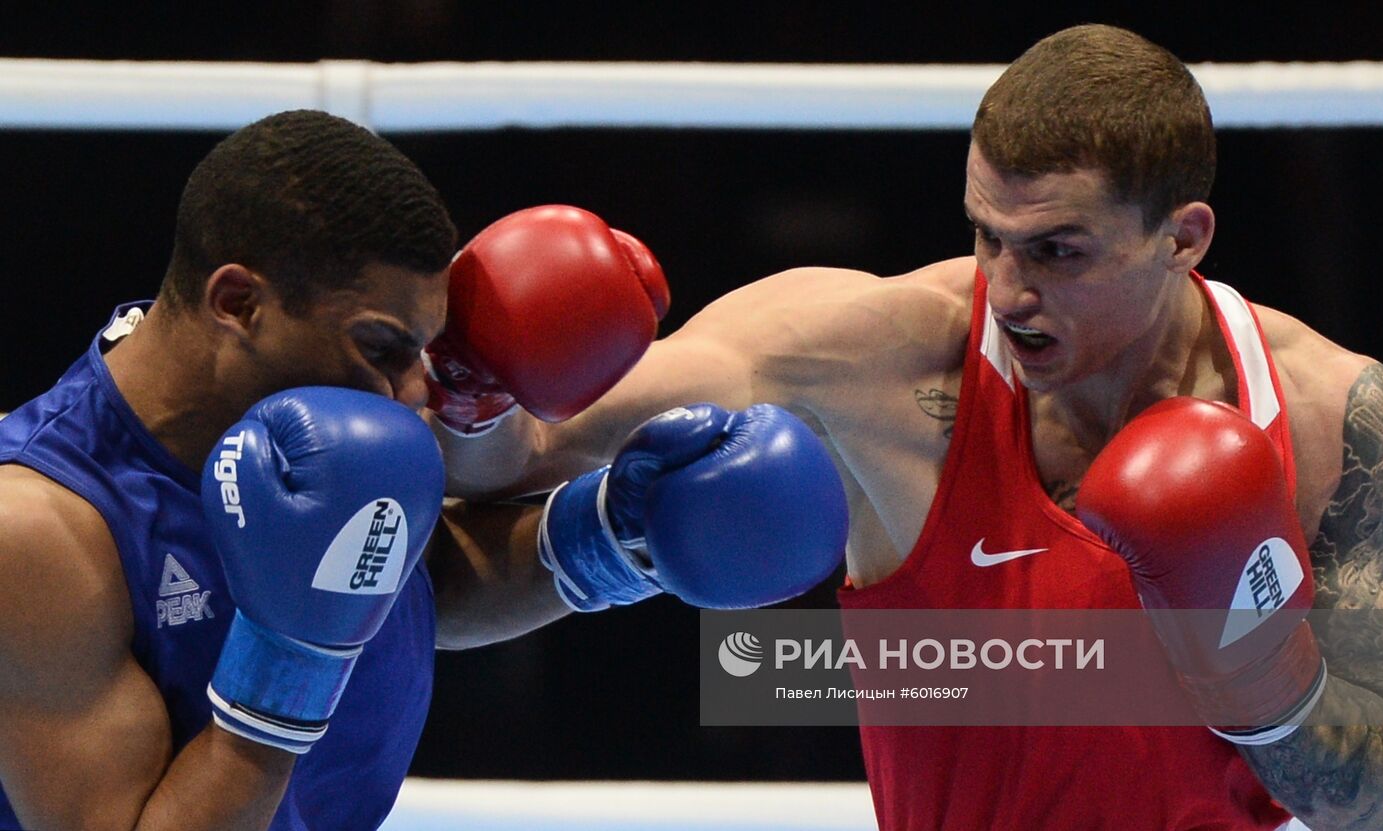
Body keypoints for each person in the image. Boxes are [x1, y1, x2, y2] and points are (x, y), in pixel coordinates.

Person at [430, 24, 1383, 830]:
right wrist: (480, 385)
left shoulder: (1329, 421)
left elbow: (1378, 796)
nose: (1010, 291)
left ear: (1181, 239)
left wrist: (1261, 680)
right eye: (987, 235)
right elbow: (517, 457)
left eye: (1056, 250)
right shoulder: (878, 358)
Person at [0, 110, 848, 830]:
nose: (416, 393)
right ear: (237, 303)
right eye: (382, 348)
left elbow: (405, 586)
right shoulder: (39, 530)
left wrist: (612, 538)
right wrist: (288, 657)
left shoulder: (320, 439)